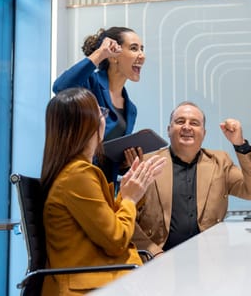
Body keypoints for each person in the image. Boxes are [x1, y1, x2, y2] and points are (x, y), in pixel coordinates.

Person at [40, 87, 167, 295]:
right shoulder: (78, 175)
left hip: (103, 280)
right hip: (93, 286)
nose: (104, 118)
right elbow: (116, 241)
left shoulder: (76, 172)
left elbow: (105, 226)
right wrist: (129, 199)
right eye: (101, 113)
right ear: (88, 124)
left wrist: (128, 192)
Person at [132, 101, 251, 255]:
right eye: (180, 121)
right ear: (169, 130)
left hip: (210, 262)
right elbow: (127, 217)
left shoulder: (220, 163)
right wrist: (153, 252)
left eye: (194, 123)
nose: (187, 127)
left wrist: (240, 145)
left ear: (204, 133)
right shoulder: (147, 163)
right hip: (158, 261)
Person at [53, 27, 146, 185]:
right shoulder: (89, 84)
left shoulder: (131, 109)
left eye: (142, 49)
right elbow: (61, 88)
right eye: (134, 48)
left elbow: (110, 157)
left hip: (103, 187)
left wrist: (126, 164)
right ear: (113, 56)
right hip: (75, 181)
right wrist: (100, 53)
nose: (142, 56)